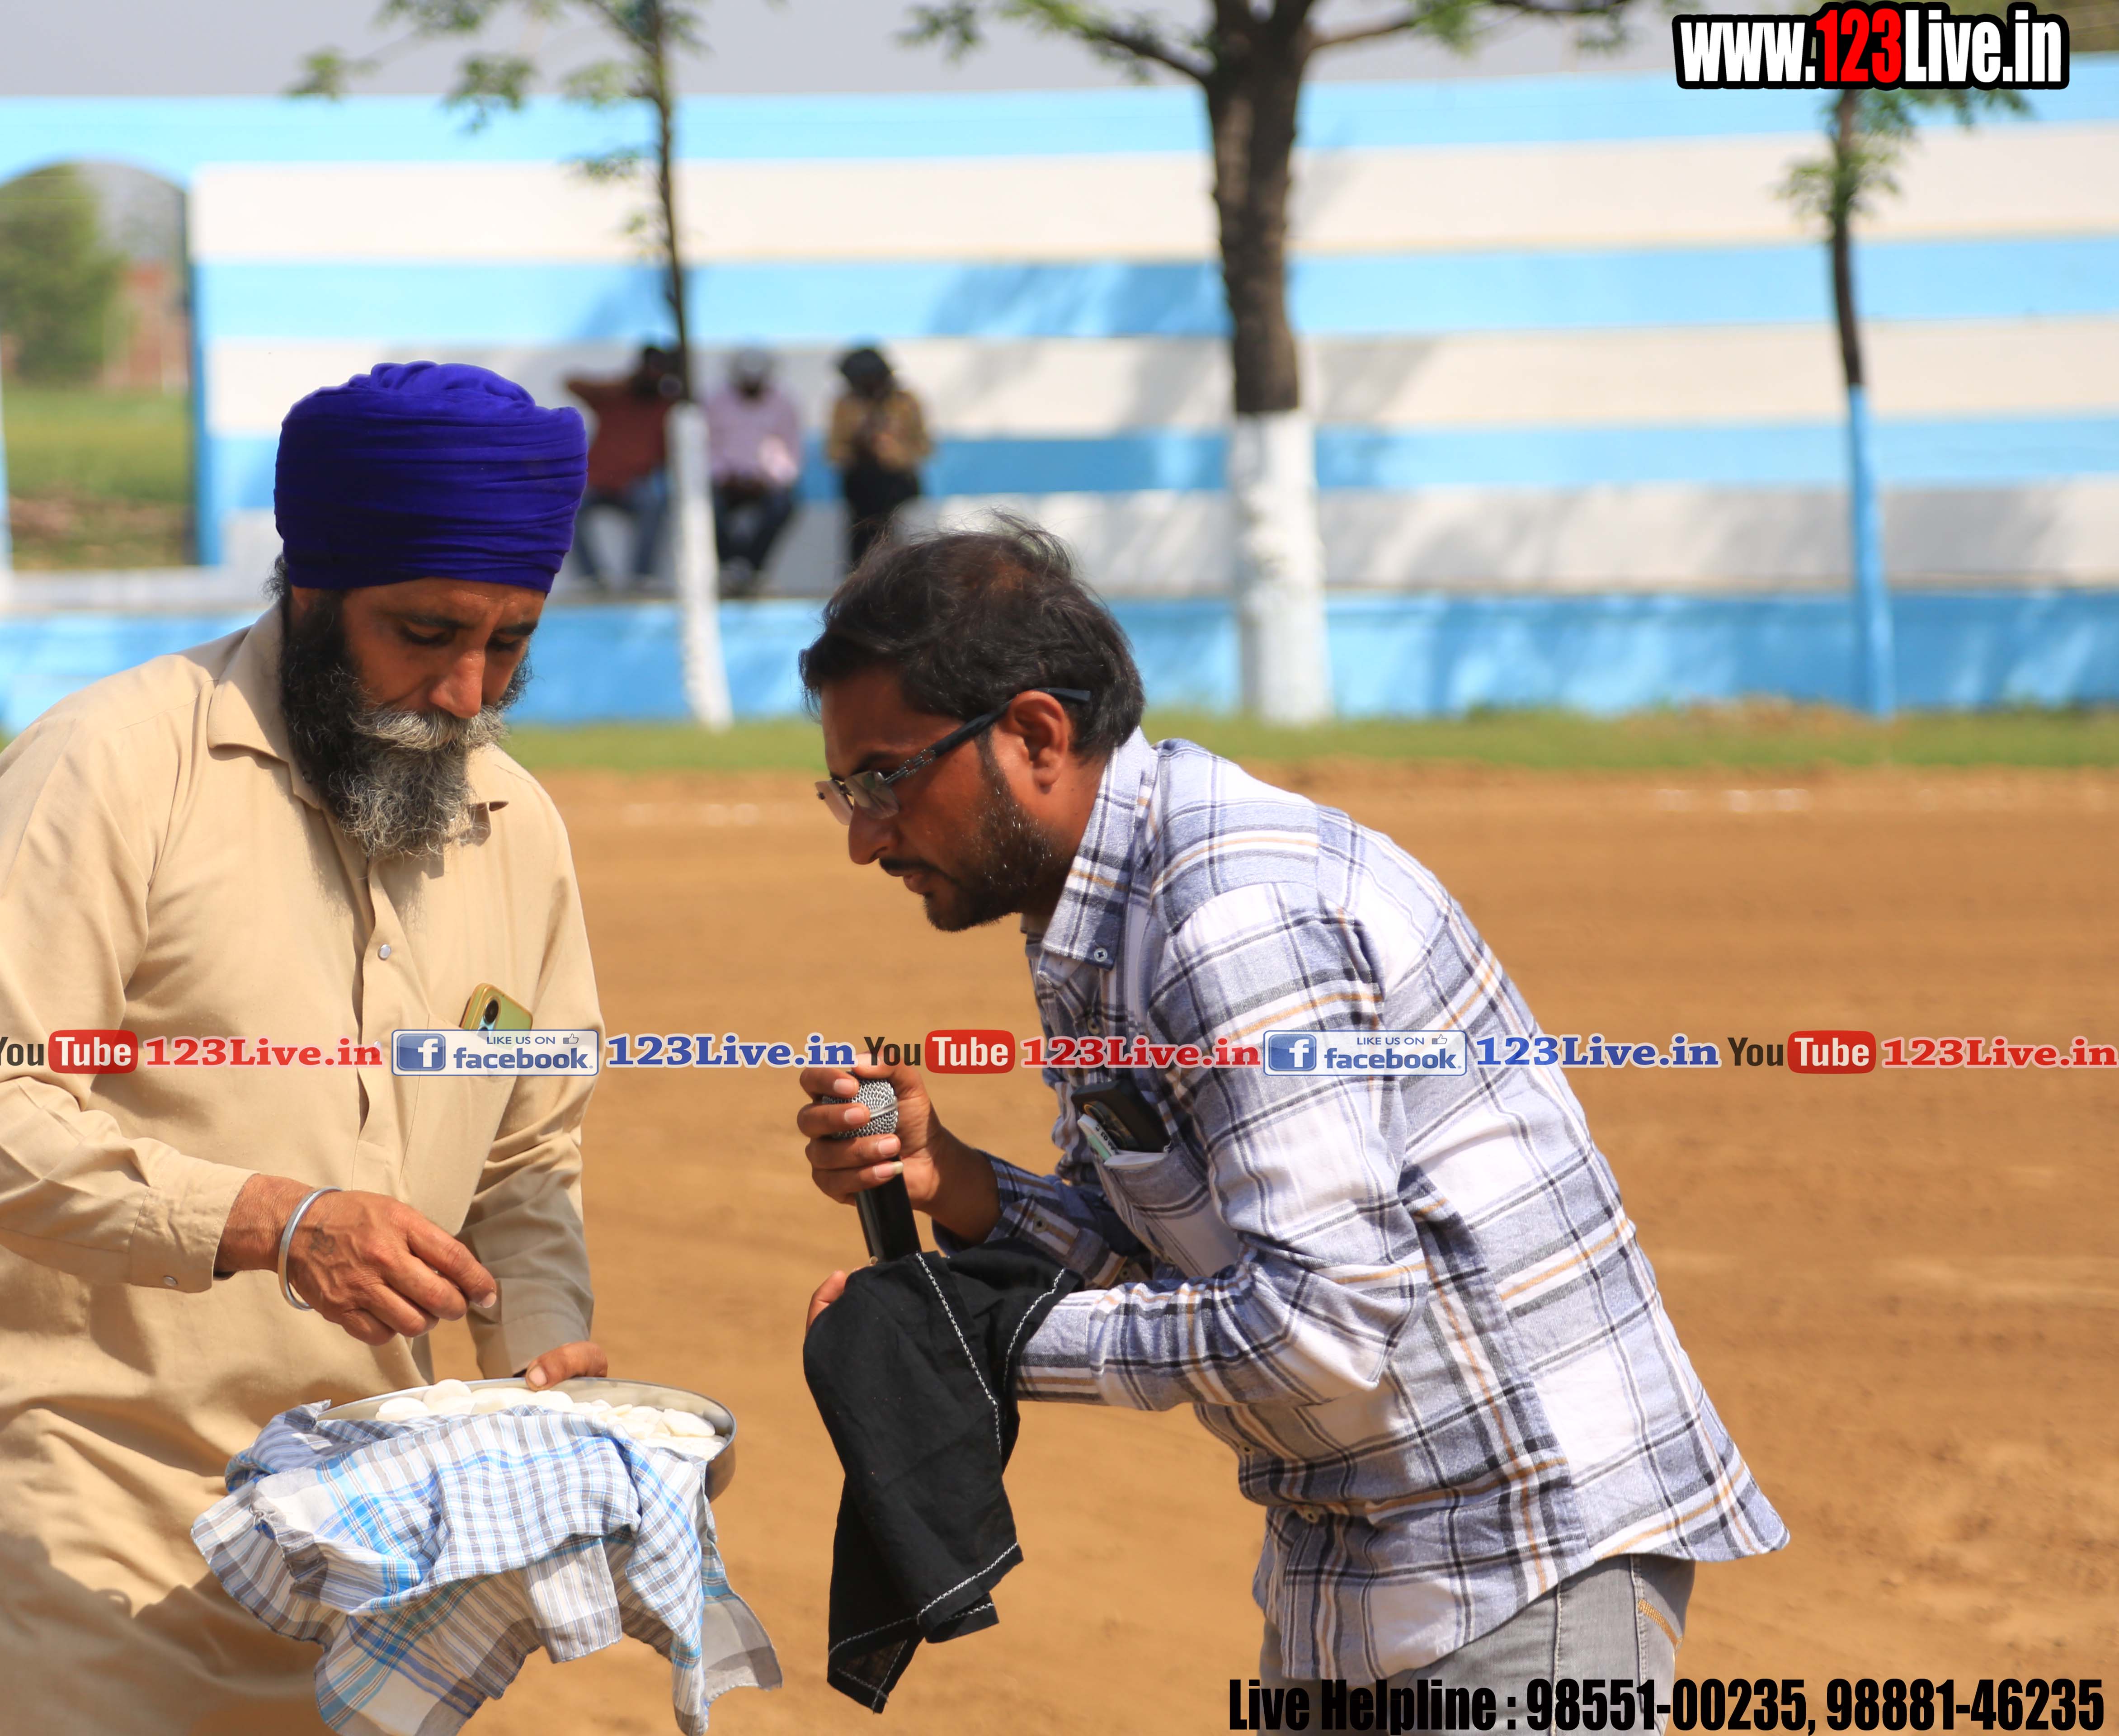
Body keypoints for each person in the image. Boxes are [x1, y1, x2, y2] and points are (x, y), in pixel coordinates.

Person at [788, 519, 1787, 1689]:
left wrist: (992, 1340)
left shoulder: (1233, 920)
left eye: (887, 778)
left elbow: (1321, 1326)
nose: (864, 837)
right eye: (844, 791)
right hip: (1360, 1557)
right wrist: (954, 1182)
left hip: (1517, 1552)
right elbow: (1175, 1246)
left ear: (1038, 735)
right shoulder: (1101, 909)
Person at [0, 362, 610, 1734]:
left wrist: (541, 1365)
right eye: (425, 632)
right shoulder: (109, 766)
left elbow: (524, 1164)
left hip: (372, 1556)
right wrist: (275, 1221)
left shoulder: (517, 825)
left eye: (511, 642)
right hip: (93, 1531)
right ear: (313, 586)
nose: (465, 690)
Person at [565, 344, 679, 590]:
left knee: (654, 507)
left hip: (634, 484)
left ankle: (641, 577)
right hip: (597, 480)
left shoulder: (665, 406)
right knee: (567, 509)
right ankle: (593, 579)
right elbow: (571, 383)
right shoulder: (615, 397)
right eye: (649, 369)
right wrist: (626, 384)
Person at [704, 346, 802, 596]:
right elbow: (708, 446)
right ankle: (733, 566)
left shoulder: (783, 403)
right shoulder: (715, 401)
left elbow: (790, 450)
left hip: (765, 483)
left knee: (783, 506)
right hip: (725, 482)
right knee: (708, 507)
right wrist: (724, 476)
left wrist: (768, 479)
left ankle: (750, 569)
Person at [825, 344, 932, 573]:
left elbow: (923, 448)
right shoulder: (845, 405)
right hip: (860, 483)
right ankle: (860, 574)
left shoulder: (905, 402)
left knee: (892, 518)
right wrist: (858, 447)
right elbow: (834, 451)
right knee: (863, 523)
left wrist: (889, 449)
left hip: (898, 481)